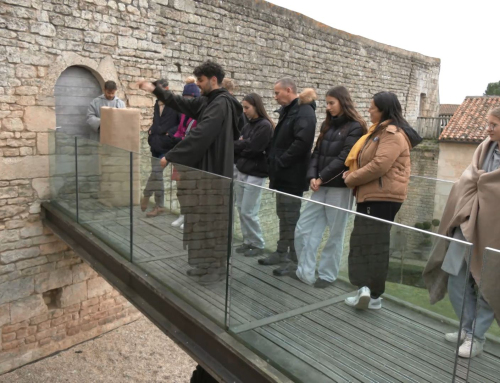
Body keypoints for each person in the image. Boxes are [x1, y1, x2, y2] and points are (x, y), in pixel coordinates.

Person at [137, 60, 242, 282]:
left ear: (214, 80)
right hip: (204, 172)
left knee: (213, 220)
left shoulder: (222, 103)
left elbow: (201, 134)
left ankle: (216, 269)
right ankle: (204, 264)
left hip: (214, 173)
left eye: (201, 81)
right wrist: (155, 90)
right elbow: (180, 103)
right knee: (201, 219)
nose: (199, 86)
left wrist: (170, 156)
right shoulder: (208, 101)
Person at [423, 107, 500, 358]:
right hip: (467, 222)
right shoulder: (484, 148)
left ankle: (476, 337)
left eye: (493, 125)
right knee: (454, 273)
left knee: (487, 283)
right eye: (487, 124)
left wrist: (486, 188)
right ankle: (466, 328)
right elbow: (469, 179)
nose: (487, 129)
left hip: (495, 231)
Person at [343, 91, 417, 310]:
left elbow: (379, 165)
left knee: (369, 243)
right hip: (375, 194)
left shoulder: (392, 134)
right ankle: (368, 292)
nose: (368, 110)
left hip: (381, 196)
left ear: (383, 110)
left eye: (372, 107)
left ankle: (370, 292)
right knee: (369, 243)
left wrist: (351, 178)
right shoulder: (380, 132)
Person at [293, 86, 366, 288]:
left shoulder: (356, 127)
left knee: (335, 233)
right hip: (320, 185)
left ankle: (327, 274)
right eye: (326, 103)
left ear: (343, 102)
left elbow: (345, 158)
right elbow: (316, 153)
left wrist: (321, 177)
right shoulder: (328, 125)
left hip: (339, 188)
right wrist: (312, 176)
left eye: (331, 103)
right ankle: (305, 272)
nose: (328, 107)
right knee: (304, 228)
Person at [257, 78, 317, 277]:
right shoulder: (289, 111)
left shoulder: (304, 111)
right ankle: (281, 252)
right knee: (283, 215)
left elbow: (302, 142)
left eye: (277, 93)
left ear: (289, 90)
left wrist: (281, 161)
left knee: (292, 218)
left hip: (292, 174)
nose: (275, 97)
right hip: (282, 174)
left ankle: (293, 260)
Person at [233, 93, 274, 257]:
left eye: (247, 107)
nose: (245, 111)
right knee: (241, 208)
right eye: (243, 107)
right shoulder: (248, 125)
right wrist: (244, 144)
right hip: (243, 169)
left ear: (256, 107)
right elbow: (238, 145)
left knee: (249, 211)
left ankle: (257, 243)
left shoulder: (264, 126)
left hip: (256, 172)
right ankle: (248, 240)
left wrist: (242, 145)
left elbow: (254, 148)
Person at [141, 79, 180, 218]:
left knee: (156, 173)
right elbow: (156, 121)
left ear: (167, 88)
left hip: (168, 145)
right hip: (155, 144)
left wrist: (169, 133)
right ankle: (159, 206)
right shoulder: (157, 104)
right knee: (157, 176)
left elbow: (180, 124)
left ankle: (147, 196)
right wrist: (151, 130)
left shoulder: (175, 103)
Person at [169, 76, 201, 230]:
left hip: (192, 157)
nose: (187, 101)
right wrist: (175, 139)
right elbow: (180, 131)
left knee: (192, 188)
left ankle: (191, 216)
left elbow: (195, 135)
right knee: (180, 187)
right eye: (185, 98)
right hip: (181, 154)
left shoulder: (200, 115)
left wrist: (181, 139)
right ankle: (183, 214)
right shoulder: (183, 114)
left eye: (190, 98)